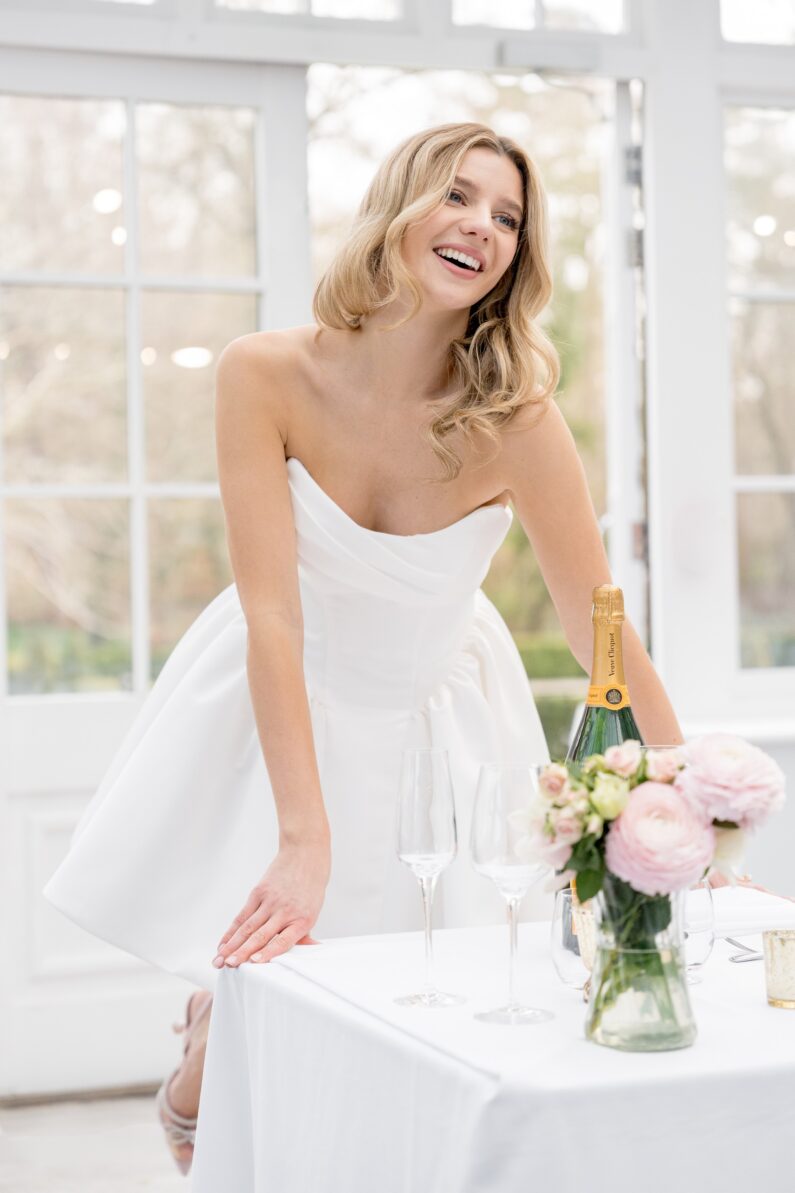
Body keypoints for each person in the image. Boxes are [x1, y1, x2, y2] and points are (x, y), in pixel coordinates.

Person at [42, 121, 683, 1174]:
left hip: (441, 717)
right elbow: (273, 614)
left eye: (508, 217)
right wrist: (304, 837)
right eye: (457, 196)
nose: (481, 226)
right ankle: (204, 1050)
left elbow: (596, 625)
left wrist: (692, 800)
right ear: (398, 207)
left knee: (430, 1016)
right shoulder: (264, 373)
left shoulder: (518, 419)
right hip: (281, 695)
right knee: (267, 988)